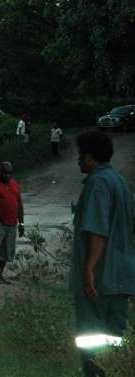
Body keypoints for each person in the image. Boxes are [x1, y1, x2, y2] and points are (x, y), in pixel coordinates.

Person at [69, 131, 135, 377]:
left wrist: (89, 270)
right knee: (115, 341)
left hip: (99, 281)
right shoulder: (119, 181)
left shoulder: (98, 183)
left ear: (89, 157)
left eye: (80, 156)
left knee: (91, 342)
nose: (77, 161)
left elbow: (98, 231)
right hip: (121, 280)